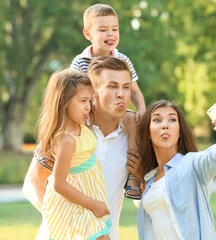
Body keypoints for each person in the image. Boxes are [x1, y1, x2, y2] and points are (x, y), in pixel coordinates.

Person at [23, 56, 142, 240]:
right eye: (112, 86)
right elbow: (33, 182)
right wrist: (65, 220)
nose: (122, 94)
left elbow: (139, 201)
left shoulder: (133, 135)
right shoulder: (70, 130)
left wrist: (141, 176)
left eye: (126, 87)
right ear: (94, 92)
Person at [136, 100, 216, 240]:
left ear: (180, 131)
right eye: (157, 120)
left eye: (172, 120)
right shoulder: (150, 178)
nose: (165, 125)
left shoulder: (192, 164)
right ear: (148, 133)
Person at [70, 4, 145, 199]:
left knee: (133, 122)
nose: (110, 34)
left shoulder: (123, 59)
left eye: (115, 29)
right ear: (88, 34)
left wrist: (141, 110)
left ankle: (133, 177)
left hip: (114, 111)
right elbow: (71, 93)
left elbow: (135, 91)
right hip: (89, 112)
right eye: (103, 30)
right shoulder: (80, 61)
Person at [36, 69, 111, 239]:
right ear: (63, 102)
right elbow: (59, 184)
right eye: (83, 100)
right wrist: (93, 205)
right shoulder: (66, 140)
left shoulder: (81, 126)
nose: (88, 106)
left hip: (87, 198)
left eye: (90, 101)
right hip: (75, 204)